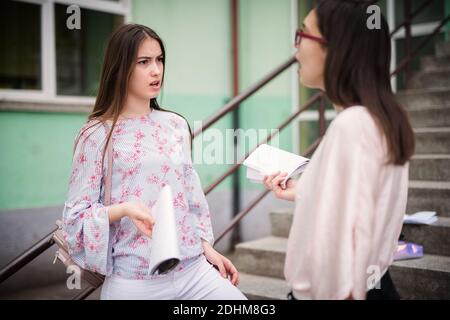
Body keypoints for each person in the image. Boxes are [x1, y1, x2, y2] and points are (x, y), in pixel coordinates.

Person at [62, 23, 247, 300]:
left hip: (194, 271)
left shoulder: (175, 125)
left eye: (159, 60)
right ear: (120, 68)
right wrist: (122, 209)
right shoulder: (96, 135)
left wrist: (206, 247)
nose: (156, 70)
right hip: (135, 282)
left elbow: (191, 196)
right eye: (143, 62)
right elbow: (75, 219)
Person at [263, 0, 415, 300]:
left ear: (335, 48)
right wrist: (302, 190)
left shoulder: (353, 126)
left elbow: (345, 264)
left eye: (302, 34)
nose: (296, 50)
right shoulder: (380, 119)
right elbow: (363, 206)